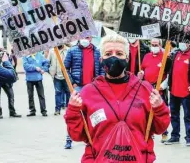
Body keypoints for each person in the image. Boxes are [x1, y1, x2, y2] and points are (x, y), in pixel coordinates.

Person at [65, 34, 170, 162]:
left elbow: (160, 128)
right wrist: (73, 111)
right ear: (101, 59)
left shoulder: (144, 89)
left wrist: (159, 108)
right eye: (108, 53)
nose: (113, 57)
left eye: (119, 53)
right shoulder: (87, 92)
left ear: (127, 58)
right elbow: (76, 135)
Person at [64, 36, 104, 149]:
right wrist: (73, 83)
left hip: (93, 87)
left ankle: (94, 137)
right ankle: (69, 139)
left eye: (87, 37)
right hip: (78, 87)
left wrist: (99, 82)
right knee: (73, 111)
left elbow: (101, 69)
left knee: (96, 112)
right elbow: (65, 68)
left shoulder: (97, 51)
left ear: (91, 38)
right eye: (82, 36)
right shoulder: (72, 50)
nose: (84, 39)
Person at [165, 41, 190, 146]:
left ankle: (189, 137)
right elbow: (167, 69)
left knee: (187, 115)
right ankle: (175, 136)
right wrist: (167, 59)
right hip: (174, 90)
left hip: (186, 91)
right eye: (180, 42)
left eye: (184, 42)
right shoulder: (175, 54)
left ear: (188, 43)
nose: (182, 44)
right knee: (174, 114)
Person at [138, 38, 169, 143]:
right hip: (147, 87)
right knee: (146, 110)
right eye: (152, 45)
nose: (154, 46)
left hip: (159, 88)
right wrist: (141, 74)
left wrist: (163, 85)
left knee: (160, 110)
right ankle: (149, 131)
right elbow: (143, 68)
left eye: (156, 45)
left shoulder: (165, 57)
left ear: (160, 45)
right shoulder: (146, 56)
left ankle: (164, 133)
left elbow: (170, 74)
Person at [0, 48, 21, 119]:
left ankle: (12, 112)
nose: (0, 54)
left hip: (6, 80)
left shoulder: (7, 57)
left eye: (1, 52)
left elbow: (13, 65)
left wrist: (7, 55)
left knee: (11, 96)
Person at [23, 52, 49, 117]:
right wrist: (35, 68)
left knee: (41, 95)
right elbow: (25, 66)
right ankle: (32, 111)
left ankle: (43, 111)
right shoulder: (26, 56)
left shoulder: (40, 55)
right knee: (30, 96)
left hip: (38, 78)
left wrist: (44, 69)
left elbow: (46, 63)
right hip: (29, 79)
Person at [49, 45, 69, 115]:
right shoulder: (52, 51)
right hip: (56, 76)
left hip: (67, 76)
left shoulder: (68, 50)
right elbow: (48, 62)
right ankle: (57, 109)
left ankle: (69, 110)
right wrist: (50, 71)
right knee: (58, 93)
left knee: (68, 93)